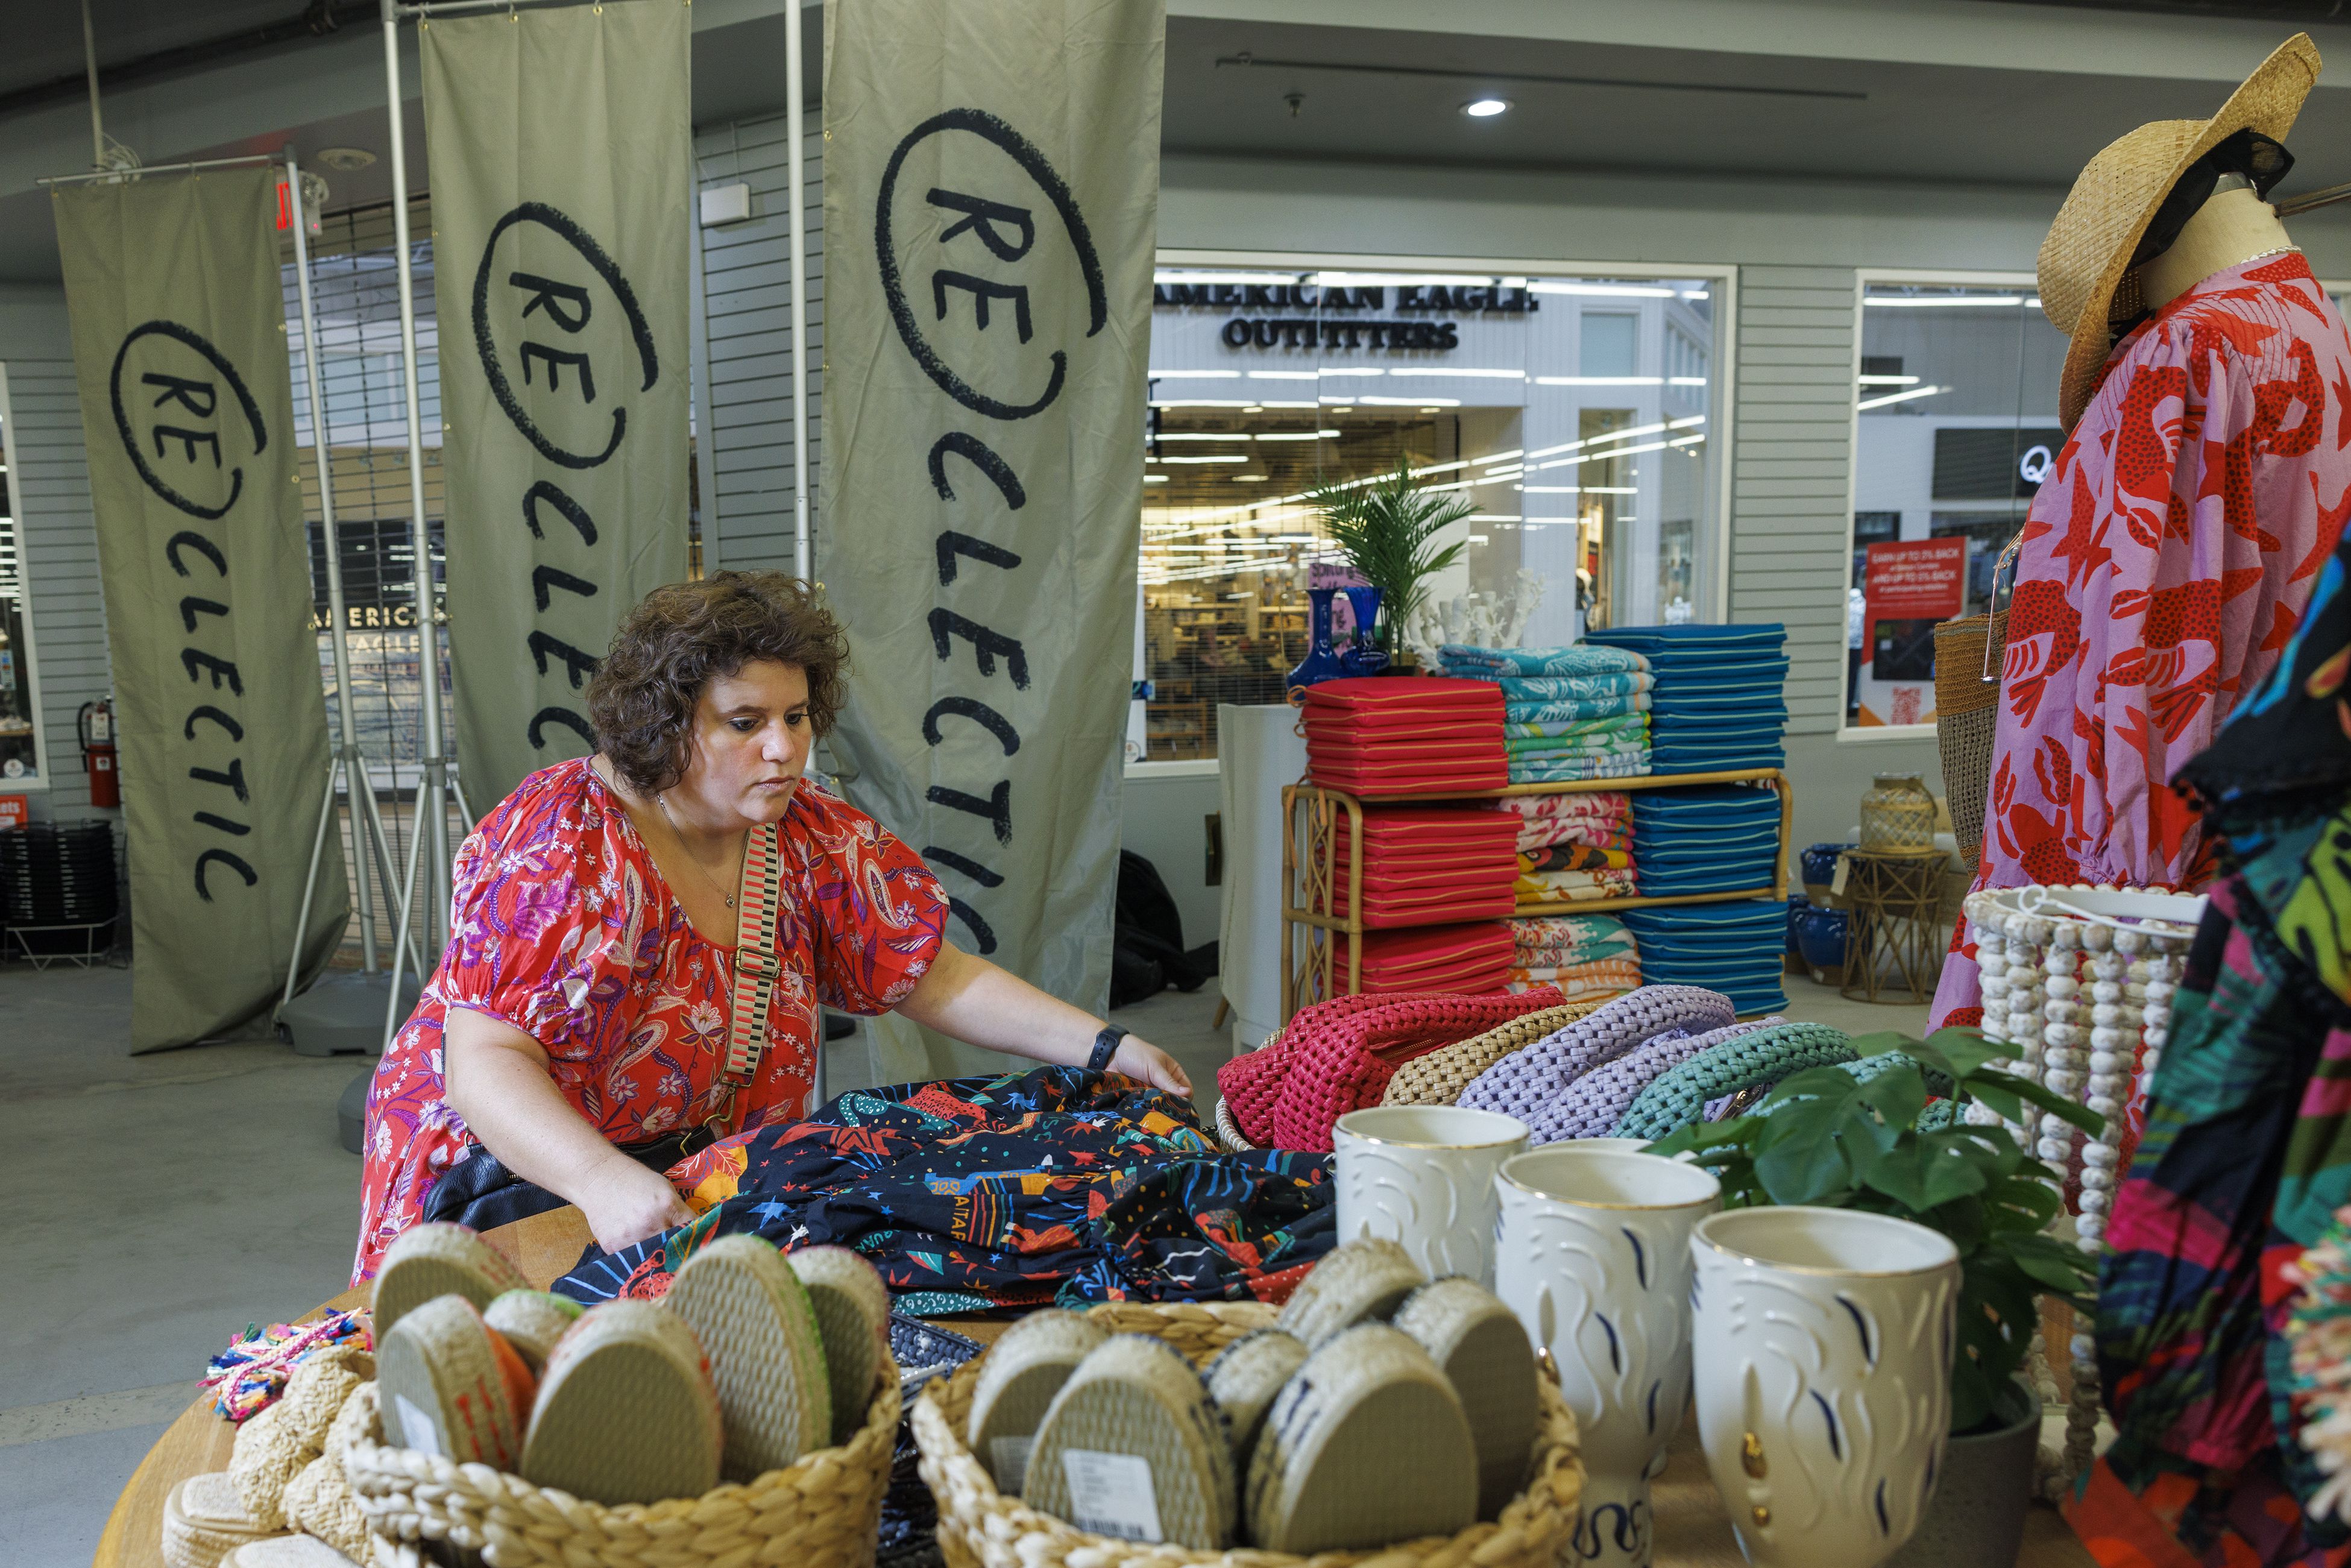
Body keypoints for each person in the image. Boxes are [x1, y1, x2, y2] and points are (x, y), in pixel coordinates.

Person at [354, 572, 1188, 1282]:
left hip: (674, 1177)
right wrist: (599, 1178)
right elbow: (485, 1060)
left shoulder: (808, 834)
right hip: (510, 1173)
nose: (784, 748)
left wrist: (1107, 1048)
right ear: (663, 719)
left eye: (796, 716)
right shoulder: (562, 841)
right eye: (745, 722)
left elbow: (934, 975)